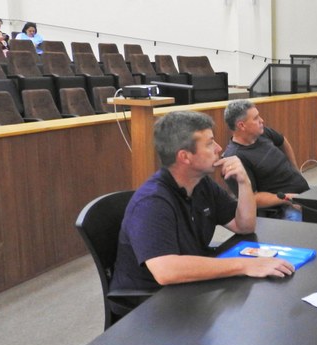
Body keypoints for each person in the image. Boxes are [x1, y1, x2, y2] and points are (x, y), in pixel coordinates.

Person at [111, 110, 294, 293]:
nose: (218, 148)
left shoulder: (201, 184)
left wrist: (244, 182)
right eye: (209, 143)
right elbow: (166, 271)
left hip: (190, 285)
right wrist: (244, 265)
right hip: (152, 298)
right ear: (185, 157)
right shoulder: (151, 202)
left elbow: (244, 226)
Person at [222, 99, 309, 217]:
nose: (261, 120)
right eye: (256, 118)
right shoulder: (235, 157)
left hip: (303, 192)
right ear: (241, 125)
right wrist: (288, 198)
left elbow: (282, 141)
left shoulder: (262, 133)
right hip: (283, 207)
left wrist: (295, 169)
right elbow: (251, 198)